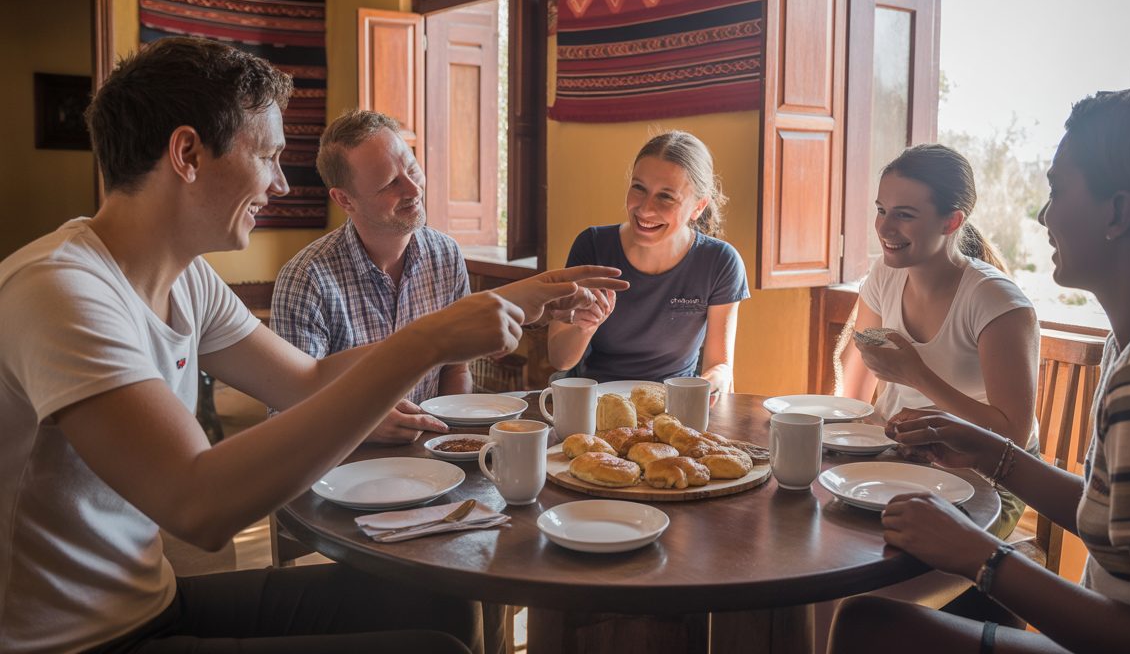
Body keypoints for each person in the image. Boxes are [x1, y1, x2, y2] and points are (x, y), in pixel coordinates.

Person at [0, 37, 626, 654]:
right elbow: (199, 505)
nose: (278, 184)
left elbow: (308, 378)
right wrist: (429, 339)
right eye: (268, 156)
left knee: (438, 602)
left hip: (151, 603)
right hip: (72, 641)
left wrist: (506, 304)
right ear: (187, 153)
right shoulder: (62, 291)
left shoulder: (185, 277)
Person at [830, 86, 1130, 653]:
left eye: (1057, 190)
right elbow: (1111, 512)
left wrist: (979, 555)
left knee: (868, 630)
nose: (1044, 215)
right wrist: (992, 454)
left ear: (1118, 212)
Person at [838, 144, 1038, 537]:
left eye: (905, 215)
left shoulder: (997, 303)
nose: (884, 227)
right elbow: (856, 392)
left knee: (884, 548)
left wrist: (915, 374)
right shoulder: (884, 275)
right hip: (902, 460)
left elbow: (1012, 436)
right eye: (881, 210)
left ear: (951, 222)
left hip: (991, 478)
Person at [272, 109, 470, 443]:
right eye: (390, 183)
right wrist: (361, 426)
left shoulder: (446, 255)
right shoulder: (307, 279)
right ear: (344, 199)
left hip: (430, 454)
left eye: (411, 168)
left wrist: (447, 442)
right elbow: (287, 411)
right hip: (340, 467)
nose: (413, 189)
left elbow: (457, 367)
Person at [546, 131, 749, 396]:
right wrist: (584, 327)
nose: (644, 209)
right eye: (638, 188)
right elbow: (560, 359)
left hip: (673, 406)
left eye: (666, 196)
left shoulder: (720, 262)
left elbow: (720, 365)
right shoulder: (593, 246)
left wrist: (709, 384)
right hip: (598, 402)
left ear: (698, 206)